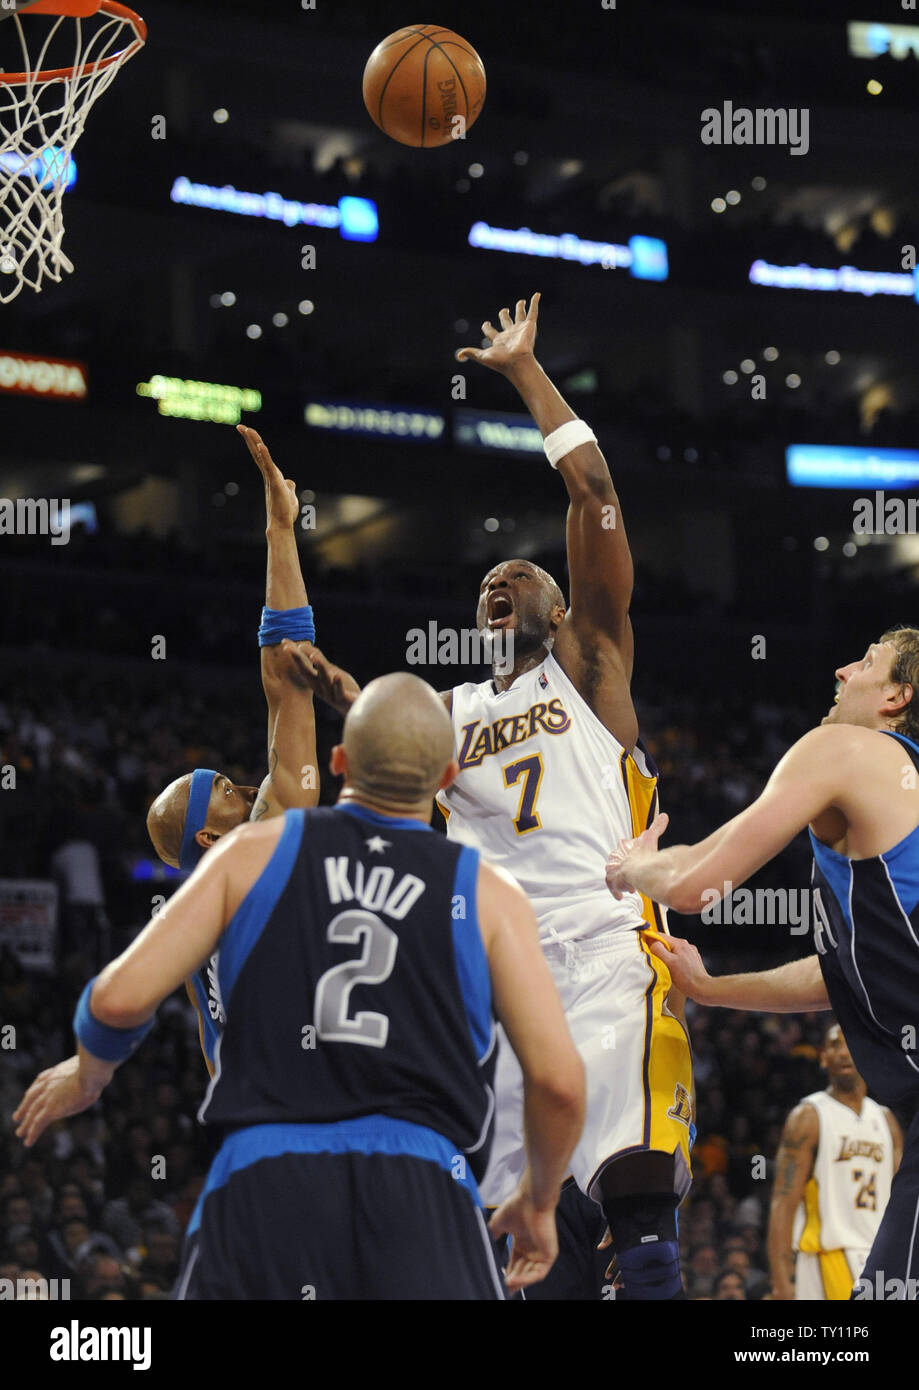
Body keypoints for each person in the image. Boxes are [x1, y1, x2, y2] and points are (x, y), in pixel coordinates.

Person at [300, 293, 693, 1301]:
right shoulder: (443, 711)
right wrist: (346, 701)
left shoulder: (592, 668)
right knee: (522, 1256)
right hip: (505, 984)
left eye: (522, 574)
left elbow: (594, 488)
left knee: (641, 1222)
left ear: (564, 609)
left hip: (610, 952)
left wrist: (523, 372)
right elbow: (386, 779)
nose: (501, 580)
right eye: (487, 579)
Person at [14, 674, 585, 1300]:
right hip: (423, 1185)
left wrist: (88, 1075)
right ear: (449, 775)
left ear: (340, 764)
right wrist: (537, 1197)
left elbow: (117, 999)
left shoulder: (251, 855)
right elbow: (558, 1084)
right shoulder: (488, 893)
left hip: (265, 1176)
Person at [606, 626, 919, 1300]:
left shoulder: (845, 749)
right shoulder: (899, 797)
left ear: (896, 695)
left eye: (863, 663)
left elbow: (694, 885)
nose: (840, 669)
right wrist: (713, 990)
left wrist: (632, 865)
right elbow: (838, 974)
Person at [146, 426, 323, 1074]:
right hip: (300, 1116)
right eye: (225, 791)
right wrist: (280, 531)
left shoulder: (193, 929)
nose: (247, 788)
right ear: (207, 840)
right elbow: (286, 687)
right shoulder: (250, 865)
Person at [768, 1022, 901, 1300]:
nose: (843, 1052)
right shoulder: (809, 1116)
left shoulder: (886, 1121)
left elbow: (902, 1205)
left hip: (879, 1257)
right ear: (823, 1058)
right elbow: (783, 1201)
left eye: (850, 1043)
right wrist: (782, 1283)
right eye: (834, 1045)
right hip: (828, 1255)